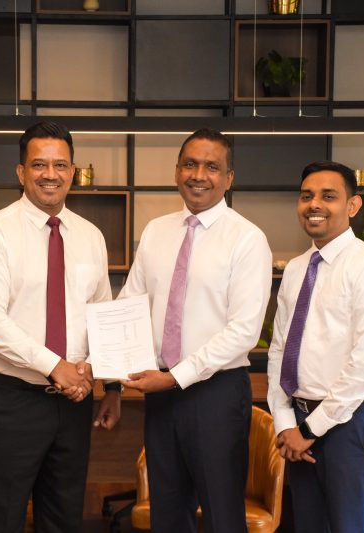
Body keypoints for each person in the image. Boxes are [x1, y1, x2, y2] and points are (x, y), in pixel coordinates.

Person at [0, 121, 121, 533]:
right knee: (1, 519)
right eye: (39, 164)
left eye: (60, 165)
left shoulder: (90, 236)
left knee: (63, 518)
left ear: (72, 172)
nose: (50, 174)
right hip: (11, 400)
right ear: (21, 172)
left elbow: (101, 312)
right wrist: (55, 366)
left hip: (73, 402)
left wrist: (106, 381)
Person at [118, 128, 272, 533]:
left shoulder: (247, 239)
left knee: (223, 516)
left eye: (212, 167)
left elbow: (243, 331)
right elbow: (130, 304)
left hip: (215, 394)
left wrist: (174, 377)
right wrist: (108, 361)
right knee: (167, 514)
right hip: (160, 394)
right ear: (176, 171)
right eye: (190, 164)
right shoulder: (156, 231)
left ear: (229, 178)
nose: (199, 175)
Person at [267, 161, 364, 533]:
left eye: (328, 196)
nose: (314, 204)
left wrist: (309, 431)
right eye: (306, 196)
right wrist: (285, 424)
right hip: (298, 422)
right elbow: (279, 349)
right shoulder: (296, 269)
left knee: (350, 526)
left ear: (353, 205)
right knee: (309, 525)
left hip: (347, 424)